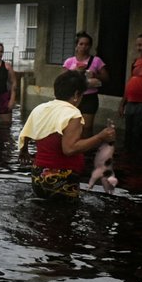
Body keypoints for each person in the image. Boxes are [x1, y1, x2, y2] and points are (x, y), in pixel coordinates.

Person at [18, 70, 116, 200]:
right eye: (82, 95)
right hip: (61, 177)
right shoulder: (72, 114)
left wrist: (24, 151)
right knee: (64, 217)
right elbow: (69, 149)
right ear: (76, 94)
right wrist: (100, 137)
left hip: (38, 175)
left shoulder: (40, 108)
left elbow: (25, 134)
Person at [63, 31, 108, 137]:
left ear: (90, 46)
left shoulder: (96, 61)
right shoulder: (69, 62)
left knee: (87, 127)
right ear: (76, 46)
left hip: (89, 97)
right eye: (81, 44)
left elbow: (106, 78)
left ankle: (86, 150)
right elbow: (62, 80)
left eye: (87, 44)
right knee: (71, 126)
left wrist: (94, 75)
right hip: (73, 98)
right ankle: (72, 147)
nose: (84, 47)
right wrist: (75, 71)